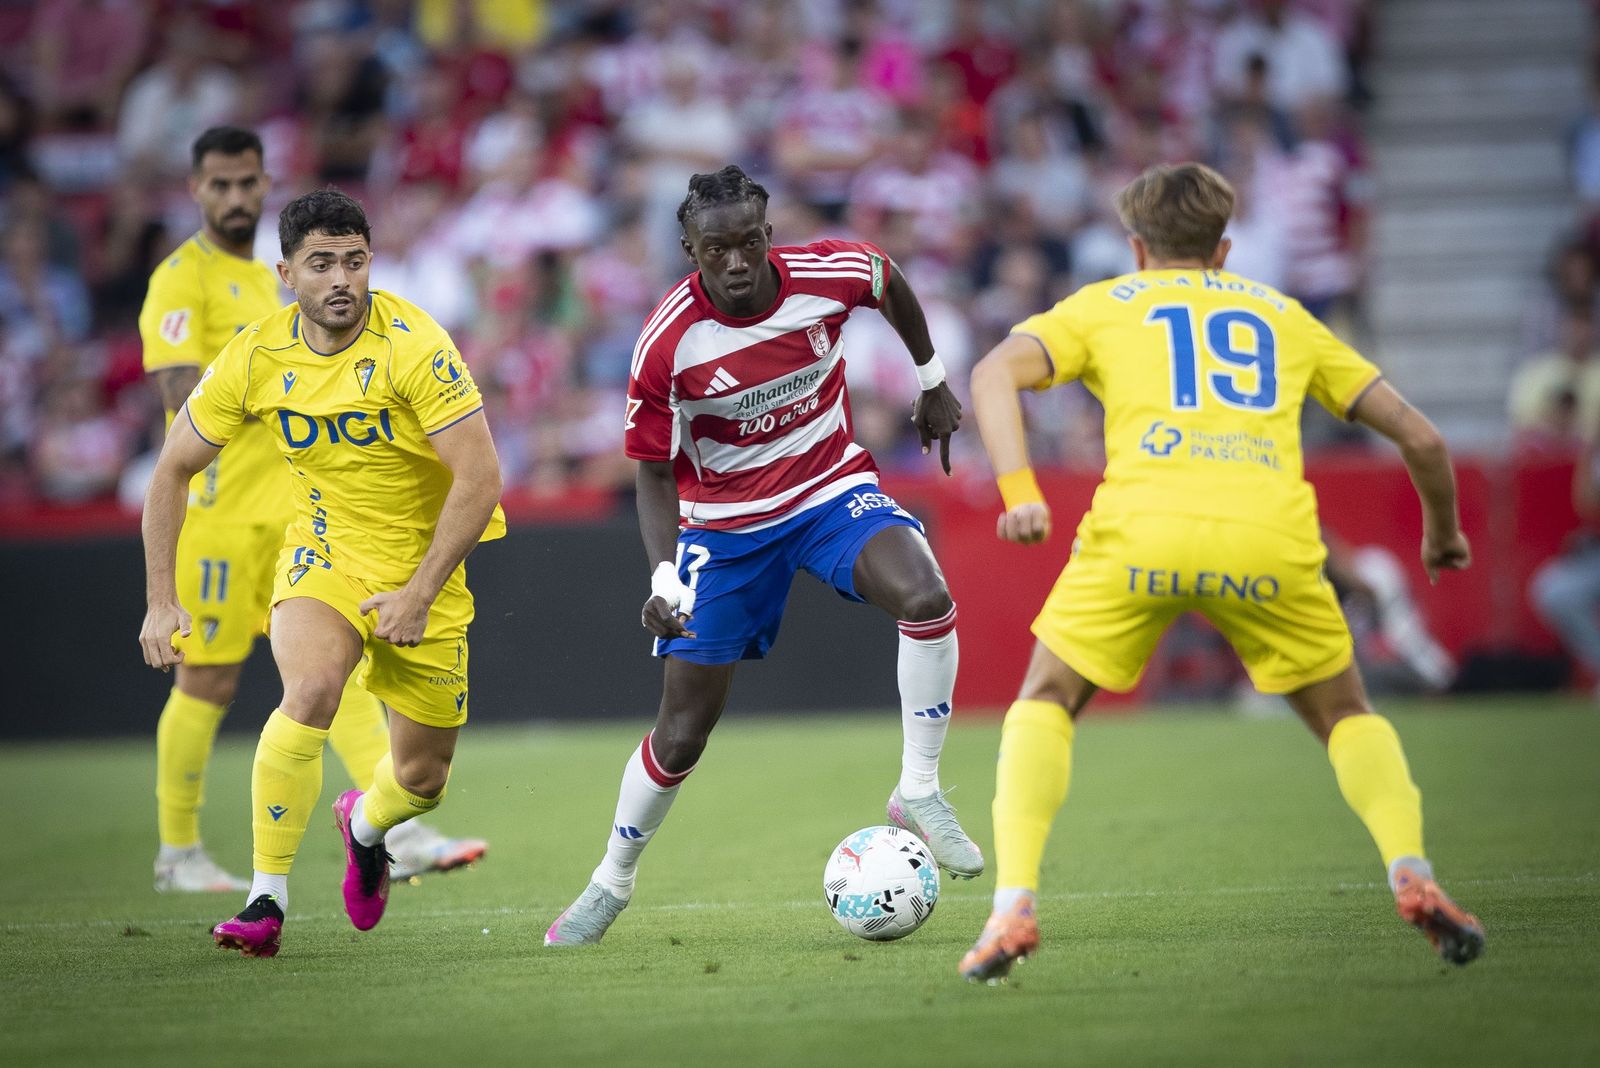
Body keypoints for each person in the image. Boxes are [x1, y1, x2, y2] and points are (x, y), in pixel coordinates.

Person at [958, 162, 1485, 982]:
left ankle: (1012, 905)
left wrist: (1020, 491)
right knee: (1347, 711)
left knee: (1048, 698)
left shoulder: (1101, 306)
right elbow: (1423, 441)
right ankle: (1410, 870)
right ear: (1225, 248)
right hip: (1267, 539)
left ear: (1136, 248)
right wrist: (1444, 535)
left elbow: (992, 373)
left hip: (1143, 536)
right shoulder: (1286, 316)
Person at [544, 165, 981, 946]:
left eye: (750, 242)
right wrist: (664, 573)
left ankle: (919, 788)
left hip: (828, 491)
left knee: (927, 598)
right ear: (690, 249)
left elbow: (889, 280)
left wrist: (933, 379)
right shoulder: (666, 343)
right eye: (719, 249)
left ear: (769, 235)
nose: (738, 261)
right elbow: (650, 469)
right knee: (680, 735)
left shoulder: (829, 274)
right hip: (724, 527)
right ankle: (609, 882)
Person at [138, 189, 505, 957]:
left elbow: (478, 478)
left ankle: (365, 824)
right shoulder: (256, 354)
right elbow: (171, 469)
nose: (341, 278)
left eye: (354, 261)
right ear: (286, 273)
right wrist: (160, 602)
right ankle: (264, 901)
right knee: (308, 692)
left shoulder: (415, 343)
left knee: (423, 777)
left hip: (422, 567)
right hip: (323, 552)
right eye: (321, 263)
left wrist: (420, 590)